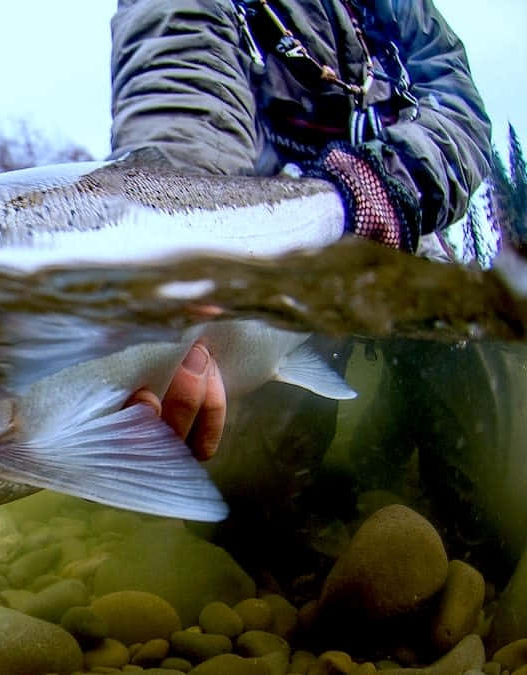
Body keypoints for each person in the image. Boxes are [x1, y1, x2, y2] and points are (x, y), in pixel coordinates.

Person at [115, 0, 493, 463]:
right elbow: (182, 119)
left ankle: (388, 447)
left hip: (408, 252)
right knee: (256, 498)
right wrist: (181, 254)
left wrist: (389, 184)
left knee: (470, 450)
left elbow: (459, 107)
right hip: (275, 280)